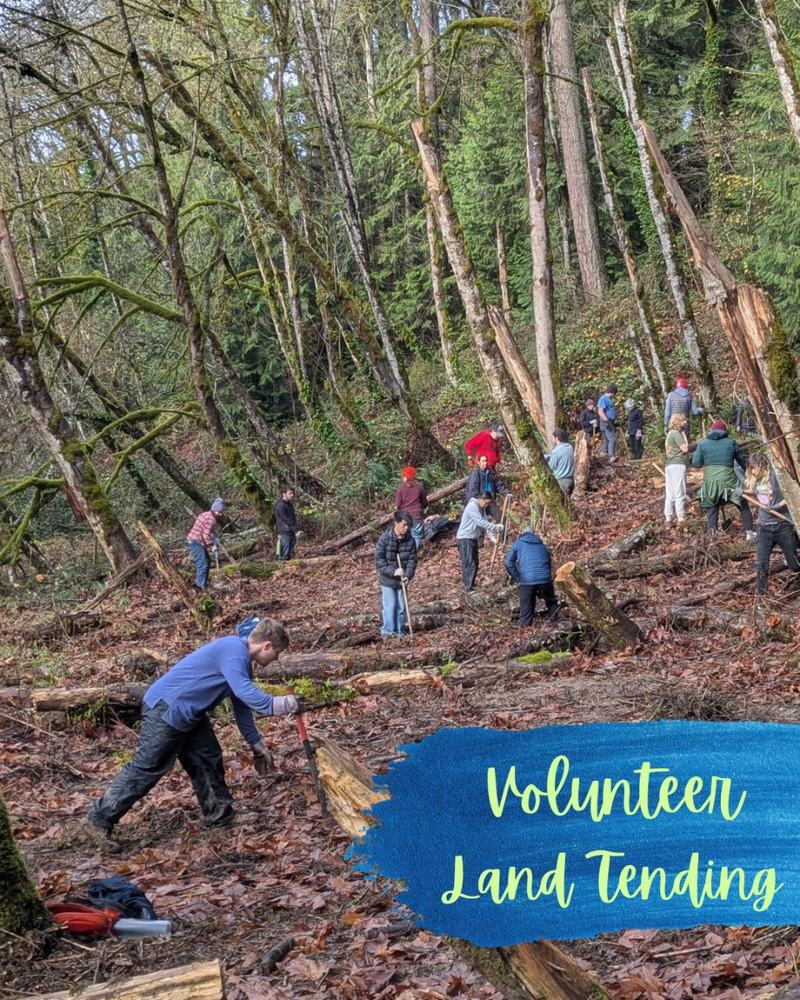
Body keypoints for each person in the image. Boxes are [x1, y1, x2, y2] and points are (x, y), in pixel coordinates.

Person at [86, 619, 298, 836]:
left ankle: (219, 815)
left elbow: (242, 707)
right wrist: (283, 704)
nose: (277, 658)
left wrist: (256, 744)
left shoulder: (239, 660)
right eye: (277, 653)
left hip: (189, 712)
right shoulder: (234, 650)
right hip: (166, 708)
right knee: (148, 766)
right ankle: (99, 819)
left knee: (207, 756)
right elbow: (246, 693)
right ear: (267, 646)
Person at [746, 455, 800, 596]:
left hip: (783, 526)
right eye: (750, 469)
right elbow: (754, 494)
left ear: (762, 465)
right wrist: (742, 493)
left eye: (754, 468)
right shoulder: (755, 480)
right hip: (764, 528)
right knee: (762, 565)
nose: (752, 471)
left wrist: (777, 506)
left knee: (794, 565)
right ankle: (761, 598)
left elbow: (790, 494)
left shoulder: (775, 476)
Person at [692, 420, 755, 540]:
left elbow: (696, 463)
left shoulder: (703, 444)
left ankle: (712, 538)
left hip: (710, 482)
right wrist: (748, 475)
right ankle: (749, 533)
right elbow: (742, 461)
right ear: (725, 431)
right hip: (728, 480)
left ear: (711, 431)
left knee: (712, 507)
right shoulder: (730, 442)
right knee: (742, 502)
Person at [374, 512, 418, 638]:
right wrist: (393, 571)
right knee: (390, 606)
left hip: (401, 580)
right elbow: (379, 561)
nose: (406, 528)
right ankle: (388, 633)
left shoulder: (410, 541)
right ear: (396, 523)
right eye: (404, 525)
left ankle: (400, 632)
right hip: (387, 579)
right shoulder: (385, 538)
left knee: (401, 607)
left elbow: (412, 560)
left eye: (408, 526)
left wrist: (408, 575)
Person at [504, 529, 558, 624]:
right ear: (534, 534)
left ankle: (525, 630)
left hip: (527, 580)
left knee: (526, 607)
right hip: (545, 579)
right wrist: (547, 577)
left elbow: (508, 562)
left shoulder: (517, 544)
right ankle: (556, 624)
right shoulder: (542, 545)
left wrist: (518, 577)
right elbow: (548, 561)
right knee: (551, 602)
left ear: (522, 534)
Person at [456, 491, 504, 593]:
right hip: (465, 538)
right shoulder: (472, 506)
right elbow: (480, 522)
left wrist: (493, 538)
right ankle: (468, 587)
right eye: (486, 503)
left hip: (472, 538)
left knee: (475, 562)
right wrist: (495, 527)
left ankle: (470, 584)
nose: (486, 505)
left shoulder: (481, 509)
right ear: (481, 499)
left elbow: (486, 524)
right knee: (469, 563)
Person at [186, 498, 224, 590]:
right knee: (203, 563)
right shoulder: (211, 519)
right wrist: (211, 546)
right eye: (219, 512)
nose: (221, 514)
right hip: (196, 541)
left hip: (196, 540)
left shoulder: (205, 514)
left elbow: (209, 532)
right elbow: (206, 534)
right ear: (215, 510)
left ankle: (204, 583)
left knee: (207, 561)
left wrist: (214, 540)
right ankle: (200, 586)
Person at [664, 413, 691, 528]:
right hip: (678, 464)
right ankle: (681, 517)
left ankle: (668, 517)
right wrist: (684, 435)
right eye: (684, 420)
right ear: (678, 422)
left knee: (670, 493)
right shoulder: (676, 433)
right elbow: (685, 448)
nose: (686, 422)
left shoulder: (670, 434)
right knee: (680, 491)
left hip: (670, 465)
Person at [464, 453, 508, 520]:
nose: (485, 463)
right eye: (483, 461)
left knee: (501, 517)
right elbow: (472, 491)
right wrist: (479, 500)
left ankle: (501, 529)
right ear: (479, 462)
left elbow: (498, 485)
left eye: (486, 460)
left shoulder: (490, 473)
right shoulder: (475, 474)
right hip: (478, 502)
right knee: (480, 523)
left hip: (489, 501)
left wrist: (506, 493)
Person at [394, 466, 428, 548]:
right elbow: (425, 502)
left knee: (404, 536)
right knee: (416, 536)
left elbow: (398, 505)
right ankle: (413, 555)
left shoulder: (401, 488)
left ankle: (404, 555)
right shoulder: (419, 487)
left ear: (404, 477)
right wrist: (422, 508)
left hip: (405, 516)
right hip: (417, 515)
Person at [544, 429, 575, 495]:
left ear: (557, 438)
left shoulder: (556, 451)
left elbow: (551, 467)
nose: (552, 440)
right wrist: (549, 456)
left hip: (561, 481)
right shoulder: (570, 447)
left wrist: (547, 460)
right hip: (571, 480)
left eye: (552, 438)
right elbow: (563, 454)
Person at [274, 485, 297, 561]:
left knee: (290, 554)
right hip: (284, 533)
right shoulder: (280, 505)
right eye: (290, 493)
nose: (292, 495)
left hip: (291, 532)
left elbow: (293, 518)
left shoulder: (290, 505)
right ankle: (280, 571)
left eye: (292, 493)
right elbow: (286, 519)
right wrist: (294, 529)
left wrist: (296, 529)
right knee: (283, 555)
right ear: (284, 494)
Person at [597, 384, 619, 461]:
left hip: (610, 421)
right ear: (612, 392)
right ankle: (611, 456)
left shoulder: (610, 399)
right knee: (612, 439)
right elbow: (600, 411)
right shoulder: (603, 398)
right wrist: (606, 420)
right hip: (606, 422)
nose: (614, 395)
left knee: (606, 439)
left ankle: (605, 454)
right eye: (614, 394)